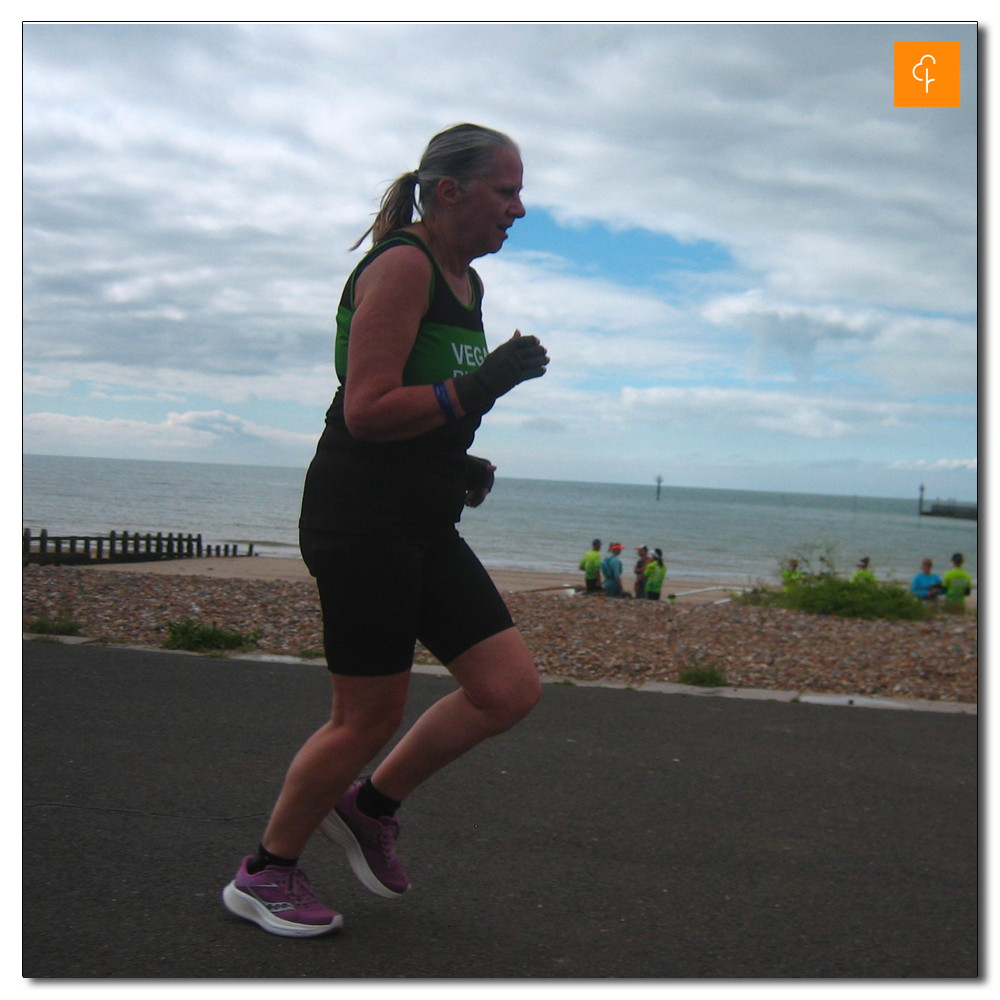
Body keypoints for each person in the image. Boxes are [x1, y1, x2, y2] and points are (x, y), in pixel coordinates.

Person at [222, 124, 550, 938]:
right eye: (505, 191)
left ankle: (369, 809)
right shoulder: (403, 266)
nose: (519, 207)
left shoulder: (464, 281)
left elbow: (427, 399)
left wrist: (455, 459)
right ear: (450, 192)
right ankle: (265, 872)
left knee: (507, 690)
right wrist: (481, 387)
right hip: (359, 516)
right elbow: (367, 412)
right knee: (364, 716)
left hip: (421, 511)